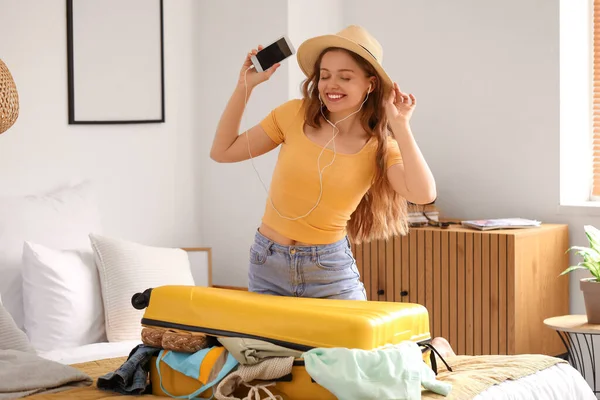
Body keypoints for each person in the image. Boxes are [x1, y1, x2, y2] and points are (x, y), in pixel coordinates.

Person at [210, 25, 436, 301]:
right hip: (268, 263)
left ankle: (439, 346)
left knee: (359, 347)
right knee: (267, 346)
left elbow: (424, 194)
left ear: (370, 83)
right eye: (325, 75)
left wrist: (401, 127)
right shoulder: (294, 114)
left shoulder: (379, 147)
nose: (331, 85)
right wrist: (244, 87)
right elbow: (223, 151)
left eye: (345, 77)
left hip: (328, 270)